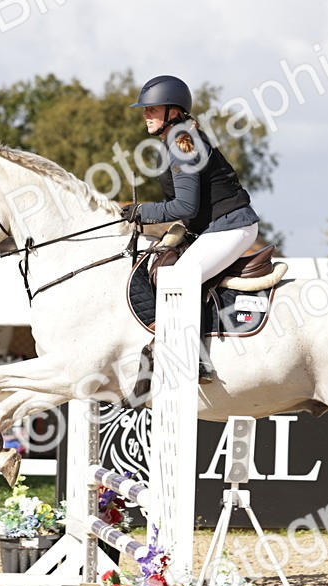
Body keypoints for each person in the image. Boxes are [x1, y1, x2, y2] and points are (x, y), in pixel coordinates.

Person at [121, 75, 261, 382]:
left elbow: (185, 208)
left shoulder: (183, 144)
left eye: (152, 109)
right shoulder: (179, 138)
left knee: (179, 279)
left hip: (231, 227)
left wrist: (143, 211)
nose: (146, 114)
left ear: (173, 111)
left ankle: (197, 361)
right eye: (146, 109)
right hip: (215, 228)